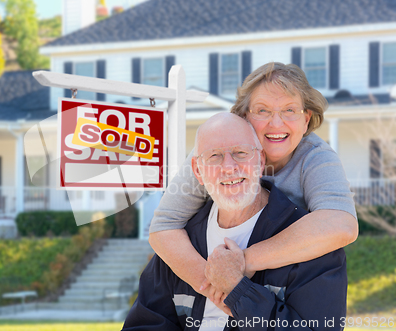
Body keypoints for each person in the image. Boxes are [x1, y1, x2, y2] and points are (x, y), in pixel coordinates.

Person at [148, 62, 357, 305]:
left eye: (289, 110)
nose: (276, 124)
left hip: (288, 288)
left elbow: (342, 224)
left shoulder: (315, 157)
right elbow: (163, 226)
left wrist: (243, 262)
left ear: (306, 119)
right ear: (243, 116)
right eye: (262, 110)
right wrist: (214, 288)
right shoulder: (212, 153)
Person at [122, 113, 347, 331]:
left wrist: (239, 292)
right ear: (197, 171)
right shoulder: (181, 245)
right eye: (214, 156)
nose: (229, 167)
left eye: (240, 153)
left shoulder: (312, 245)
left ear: (260, 160)